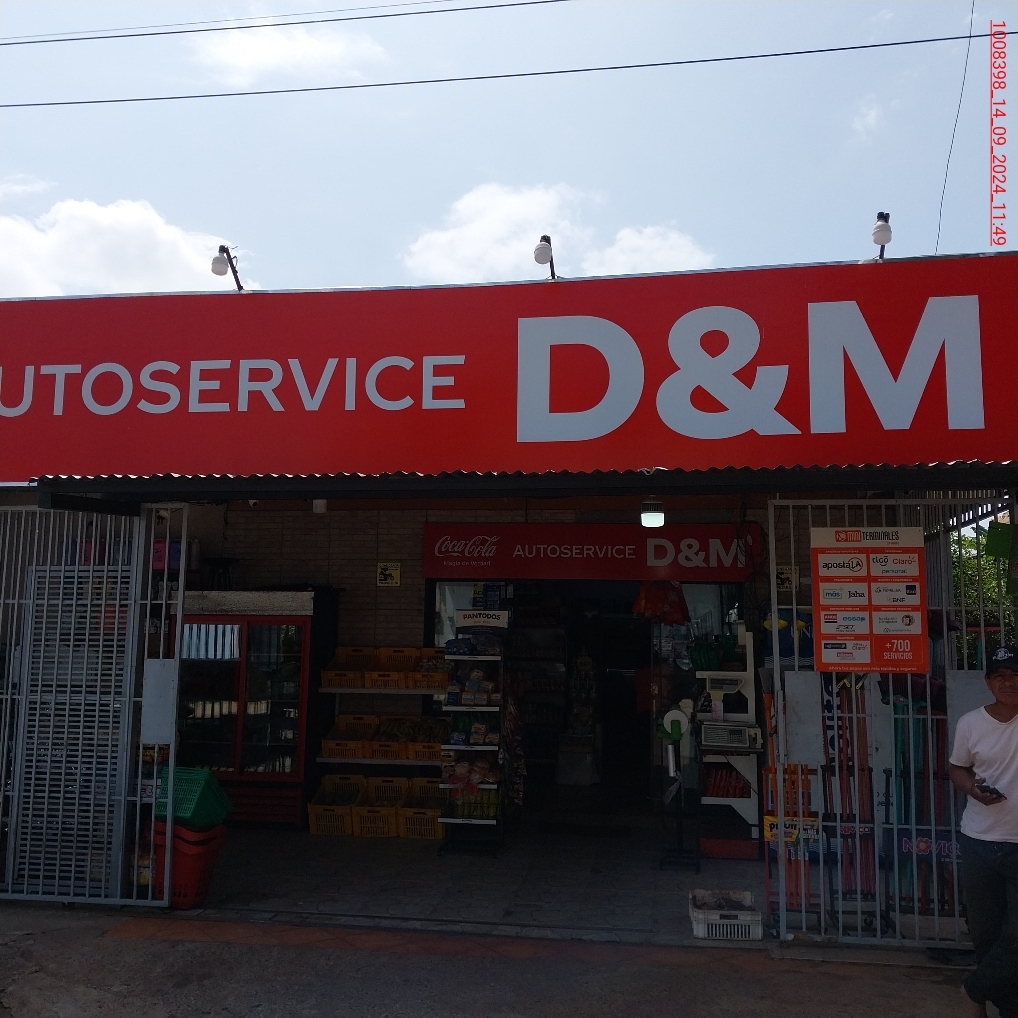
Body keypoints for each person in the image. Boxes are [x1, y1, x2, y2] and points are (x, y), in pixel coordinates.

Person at [949, 644, 1018, 1018]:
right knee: (986, 936)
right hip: (980, 841)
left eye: (1015, 675)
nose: (1009, 683)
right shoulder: (970, 724)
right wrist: (973, 789)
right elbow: (958, 768)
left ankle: (972, 991)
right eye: (1000, 676)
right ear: (989, 683)